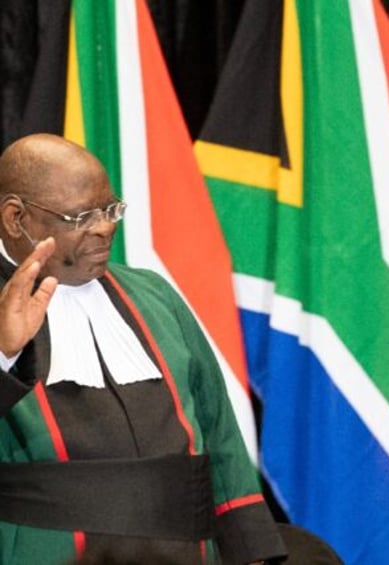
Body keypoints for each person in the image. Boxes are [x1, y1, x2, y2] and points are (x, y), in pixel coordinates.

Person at [0, 134, 286, 564]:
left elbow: (219, 429)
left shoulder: (153, 294)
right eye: (80, 216)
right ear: (15, 217)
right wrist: (3, 356)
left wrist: (252, 551)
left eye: (110, 209)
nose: (104, 227)